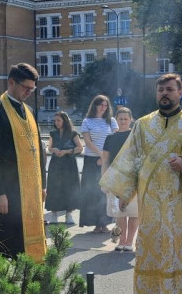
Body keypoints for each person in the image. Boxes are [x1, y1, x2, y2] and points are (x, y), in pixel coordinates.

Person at [100, 73, 182, 294]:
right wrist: (123, 192)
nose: (165, 93)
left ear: (179, 93)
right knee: (151, 251)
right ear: (157, 93)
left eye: (170, 89)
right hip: (151, 204)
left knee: (180, 251)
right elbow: (130, 158)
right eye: (161, 89)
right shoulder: (142, 125)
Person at [0, 63, 47, 262]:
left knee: (24, 244)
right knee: (2, 244)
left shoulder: (30, 111)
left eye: (32, 89)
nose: (29, 92)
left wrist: (43, 184)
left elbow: (38, 151)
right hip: (6, 191)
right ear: (11, 82)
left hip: (29, 191)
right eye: (26, 88)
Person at [80, 95, 118, 233]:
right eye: (101, 104)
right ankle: (96, 223)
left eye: (106, 105)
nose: (103, 107)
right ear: (94, 105)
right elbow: (88, 142)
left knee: (105, 192)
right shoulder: (87, 121)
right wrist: (101, 155)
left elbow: (114, 139)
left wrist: (106, 158)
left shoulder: (111, 121)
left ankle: (105, 223)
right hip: (91, 160)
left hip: (107, 160)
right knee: (92, 192)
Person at [103, 107, 138, 251]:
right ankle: (121, 240)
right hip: (114, 178)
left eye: (125, 118)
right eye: (120, 119)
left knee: (134, 211)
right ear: (116, 120)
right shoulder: (110, 138)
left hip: (132, 178)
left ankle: (130, 242)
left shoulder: (135, 137)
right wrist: (104, 181)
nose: (123, 121)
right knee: (119, 212)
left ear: (131, 120)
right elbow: (105, 160)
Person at [45, 111, 82, 225]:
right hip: (56, 164)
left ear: (64, 121)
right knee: (54, 187)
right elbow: (49, 148)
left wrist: (67, 151)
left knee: (69, 188)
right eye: (55, 120)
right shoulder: (53, 133)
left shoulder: (73, 133)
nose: (56, 123)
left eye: (58, 120)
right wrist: (53, 150)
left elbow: (80, 148)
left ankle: (69, 214)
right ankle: (54, 214)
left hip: (69, 164)